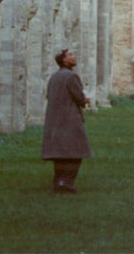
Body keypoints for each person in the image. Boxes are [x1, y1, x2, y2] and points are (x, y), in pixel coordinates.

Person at [41, 48, 93, 193]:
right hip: (70, 119)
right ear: (64, 60)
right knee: (76, 152)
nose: (74, 57)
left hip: (55, 119)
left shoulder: (54, 77)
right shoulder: (72, 76)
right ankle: (66, 182)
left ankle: (58, 181)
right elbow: (79, 97)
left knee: (60, 154)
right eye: (70, 55)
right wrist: (85, 99)